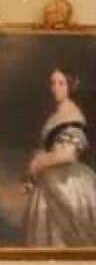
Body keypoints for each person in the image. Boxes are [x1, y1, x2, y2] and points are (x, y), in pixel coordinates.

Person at [22, 68, 96, 247]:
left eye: (61, 83)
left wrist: (39, 162)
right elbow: (49, 147)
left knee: (68, 236)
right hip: (47, 179)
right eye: (53, 83)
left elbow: (69, 154)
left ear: (70, 86)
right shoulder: (56, 115)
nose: (55, 88)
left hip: (67, 183)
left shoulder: (73, 114)